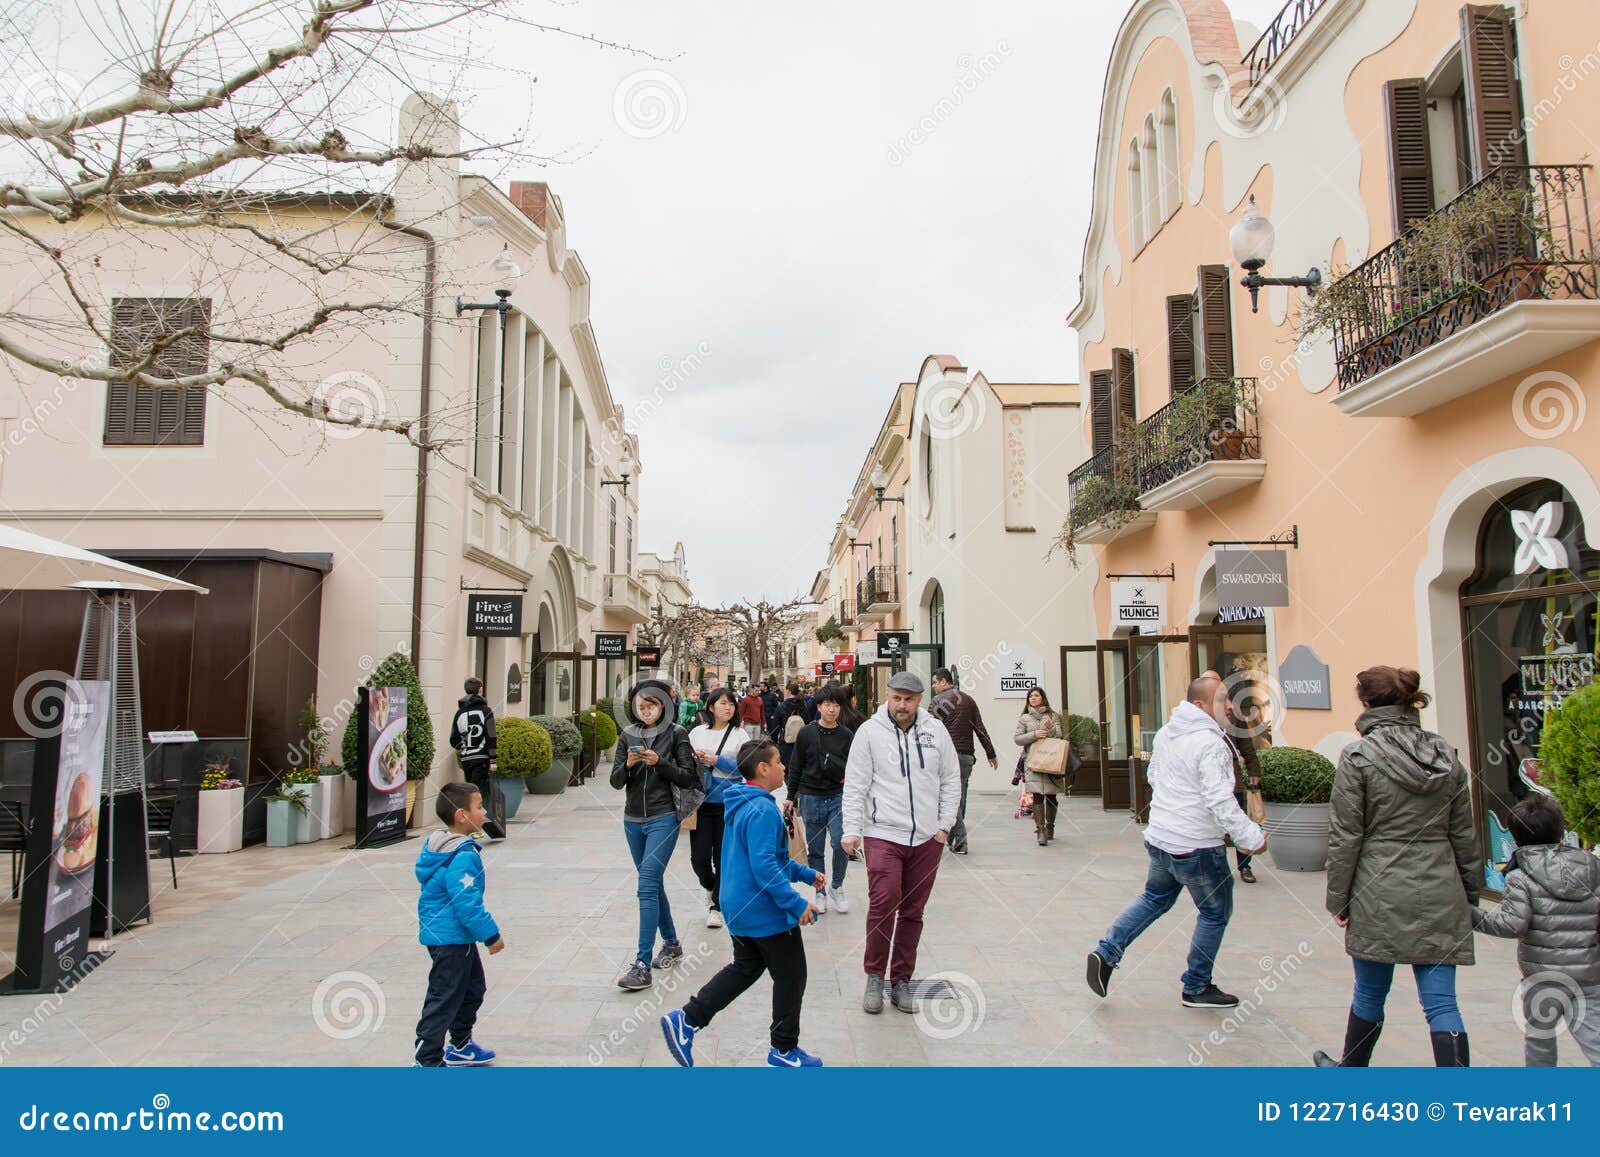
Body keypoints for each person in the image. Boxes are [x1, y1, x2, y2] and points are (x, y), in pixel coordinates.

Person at [1314, 666, 1479, 1067]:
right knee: (1441, 1003)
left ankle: (1351, 1075)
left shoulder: (1357, 756)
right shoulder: (1445, 754)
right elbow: (1464, 834)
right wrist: (1468, 893)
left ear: (1366, 704)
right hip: (1440, 886)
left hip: (1377, 888)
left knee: (1370, 992)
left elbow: (1346, 836)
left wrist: (1339, 899)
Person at [1087, 673, 1267, 1010]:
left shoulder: (1169, 732)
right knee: (1215, 912)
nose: (1230, 705)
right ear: (1200, 704)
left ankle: (1107, 951)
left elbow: (1153, 775)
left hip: (1162, 837)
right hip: (1196, 845)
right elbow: (1220, 801)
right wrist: (1252, 838)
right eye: (1222, 699)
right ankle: (1196, 987)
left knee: (1154, 898)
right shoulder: (1210, 743)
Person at [660, 739, 826, 1069]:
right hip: (762, 908)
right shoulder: (763, 809)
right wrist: (794, 903)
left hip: (737, 904)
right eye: (778, 761)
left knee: (746, 967)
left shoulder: (743, 801)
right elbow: (765, 865)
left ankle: (687, 1019)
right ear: (763, 769)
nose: (783, 767)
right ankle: (784, 1049)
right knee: (793, 975)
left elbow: (770, 858)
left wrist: (806, 875)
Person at [842, 671, 961, 1015]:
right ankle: (874, 977)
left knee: (912, 911)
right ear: (888, 697)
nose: (902, 705)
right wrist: (851, 830)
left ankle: (902, 980)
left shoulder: (934, 731)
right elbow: (855, 785)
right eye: (896, 698)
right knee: (884, 901)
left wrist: (944, 826)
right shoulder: (869, 732)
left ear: (920, 700)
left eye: (908, 699)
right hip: (883, 833)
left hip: (927, 837)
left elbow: (951, 778)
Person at [1471, 794, 1600, 1066]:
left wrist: (1470, 915)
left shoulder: (1519, 876)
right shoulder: (1592, 867)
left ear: (1516, 838)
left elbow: (1511, 924)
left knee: (1540, 1043)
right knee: (1595, 1040)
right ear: (1561, 831)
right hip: (1589, 974)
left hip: (1542, 978)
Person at [610, 678, 701, 991]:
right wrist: (631, 764)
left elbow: (688, 778)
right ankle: (672, 943)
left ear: (664, 706)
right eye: (640, 705)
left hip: (663, 816)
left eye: (651, 705)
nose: (645, 710)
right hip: (632, 819)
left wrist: (660, 763)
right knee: (653, 882)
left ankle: (640, 964)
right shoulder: (628, 735)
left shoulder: (677, 734)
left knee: (646, 884)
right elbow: (615, 781)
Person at [414, 782, 504, 1067]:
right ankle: (426, 1059)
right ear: (461, 816)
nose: (484, 811)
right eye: (479, 807)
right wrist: (491, 935)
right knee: (444, 997)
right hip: (450, 939)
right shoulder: (462, 855)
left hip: (455, 939)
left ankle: (461, 1045)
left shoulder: (443, 845)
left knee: (472, 989)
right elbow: (467, 902)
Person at [784, 683, 855, 915]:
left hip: (838, 795)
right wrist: (790, 796)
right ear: (819, 706)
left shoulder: (846, 735)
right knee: (815, 849)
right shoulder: (807, 733)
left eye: (836, 705)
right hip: (811, 795)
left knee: (840, 843)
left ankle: (837, 885)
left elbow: (855, 768)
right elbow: (796, 766)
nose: (832, 709)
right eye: (827, 705)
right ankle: (821, 891)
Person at [687, 688, 744, 929]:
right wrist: (696, 760)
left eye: (731, 703)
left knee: (723, 857)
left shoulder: (739, 735)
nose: (728, 707)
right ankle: (710, 886)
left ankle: (717, 907)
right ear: (710, 707)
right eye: (722, 703)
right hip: (700, 803)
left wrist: (717, 760)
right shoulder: (697, 733)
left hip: (727, 802)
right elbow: (684, 762)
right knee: (699, 858)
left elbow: (745, 768)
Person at [1201, 669, 1264, 883]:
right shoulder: (1199, 715)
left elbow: (1247, 745)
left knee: (1238, 824)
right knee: (1214, 829)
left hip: (1233, 780)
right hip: (1207, 786)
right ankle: (1216, 868)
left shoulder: (1233, 714)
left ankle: (1244, 867)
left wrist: (1254, 771)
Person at [929, 667, 996, 855]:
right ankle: (954, 837)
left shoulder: (937, 701)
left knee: (948, 798)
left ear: (944, 682)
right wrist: (990, 752)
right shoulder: (969, 700)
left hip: (946, 756)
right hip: (966, 756)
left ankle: (959, 837)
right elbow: (980, 728)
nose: (934, 686)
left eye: (935, 682)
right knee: (960, 795)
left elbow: (926, 728)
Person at [1013, 685, 1072, 847]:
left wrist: (1049, 727)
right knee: (1037, 795)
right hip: (1033, 761)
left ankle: (1050, 827)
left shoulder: (1053, 716)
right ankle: (1041, 830)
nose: (1033, 698)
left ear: (1043, 698)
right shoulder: (1024, 718)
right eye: (1030, 696)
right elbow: (1017, 739)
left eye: (1036, 695)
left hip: (1052, 759)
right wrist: (1034, 735)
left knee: (1052, 795)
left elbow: (1059, 735)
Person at [448, 677, 503, 839]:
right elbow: (491, 736)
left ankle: (471, 827)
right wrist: (493, 759)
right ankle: (475, 828)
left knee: (470, 791)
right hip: (482, 758)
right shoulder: (486, 711)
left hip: (467, 759)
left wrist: (464, 747)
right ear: (480, 690)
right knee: (479, 794)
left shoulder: (459, 713)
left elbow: (453, 739)